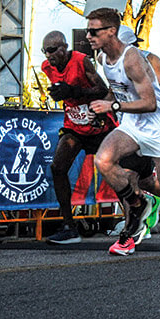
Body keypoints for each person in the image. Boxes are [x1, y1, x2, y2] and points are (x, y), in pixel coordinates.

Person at [86, 7, 160, 262]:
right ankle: (138, 205)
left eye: (93, 31)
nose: (88, 36)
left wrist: (112, 106)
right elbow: (117, 91)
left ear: (111, 32)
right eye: (87, 30)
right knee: (103, 160)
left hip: (158, 126)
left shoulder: (134, 59)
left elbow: (150, 102)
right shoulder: (101, 59)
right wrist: (99, 105)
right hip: (132, 123)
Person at [40, 30, 111, 244]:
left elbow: (102, 90)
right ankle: (69, 226)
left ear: (64, 48)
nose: (48, 56)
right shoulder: (46, 68)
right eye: (45, 51)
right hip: (74, 126)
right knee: (57, 168)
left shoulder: (81, 61)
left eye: (52, 50)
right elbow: (60, 91)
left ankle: (136, 210)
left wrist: (72, 91)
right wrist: (57, 93)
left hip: (97, 125)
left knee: (117, 169)